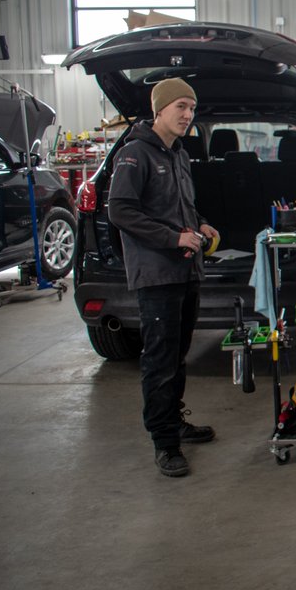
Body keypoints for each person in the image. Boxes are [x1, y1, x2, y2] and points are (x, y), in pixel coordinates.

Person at [109, 78, 219, 478]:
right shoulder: (135, 154)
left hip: (185, 270)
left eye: (192, 108)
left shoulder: (178, 156)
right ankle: (165, 443)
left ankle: (175, 422)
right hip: (157, 275)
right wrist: (173, 238)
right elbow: (120, 211)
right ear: (159, 109)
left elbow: (183, 208)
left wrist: (200, 226)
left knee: (177, 354)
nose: (188, 115)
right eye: (181, 107)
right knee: (159, 360)